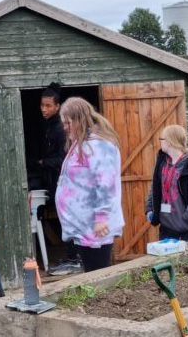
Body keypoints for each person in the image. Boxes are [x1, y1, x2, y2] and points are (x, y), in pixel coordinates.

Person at [55, 97, 124, 272]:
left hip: (96, 228)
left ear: (79, 119)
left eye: (68, 122)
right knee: (91, 274)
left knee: (98, 275)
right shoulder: (82, 143)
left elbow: (106, 184)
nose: (65, 127)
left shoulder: (99, 145)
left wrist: (101, 218)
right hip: (84, 226)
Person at [30, 84, 81, 276]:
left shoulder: (61, 128)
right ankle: (71, 256)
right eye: (42, 105)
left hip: (66, 181)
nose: (44, 109)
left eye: (48, 106)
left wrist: (43, 162)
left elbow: (64, 157)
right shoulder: (48, 126)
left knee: (69, 218)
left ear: (58, 107)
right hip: (54, 180)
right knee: (63, 218)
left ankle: (75, 258)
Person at [145, 124, 188, 241]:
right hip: (165, 231)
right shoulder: (163, 163)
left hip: (187, 234)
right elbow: (155, 188)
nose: (160, 142)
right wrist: (150, 209)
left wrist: (185, 220)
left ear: (170, 142)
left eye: (162, 139)